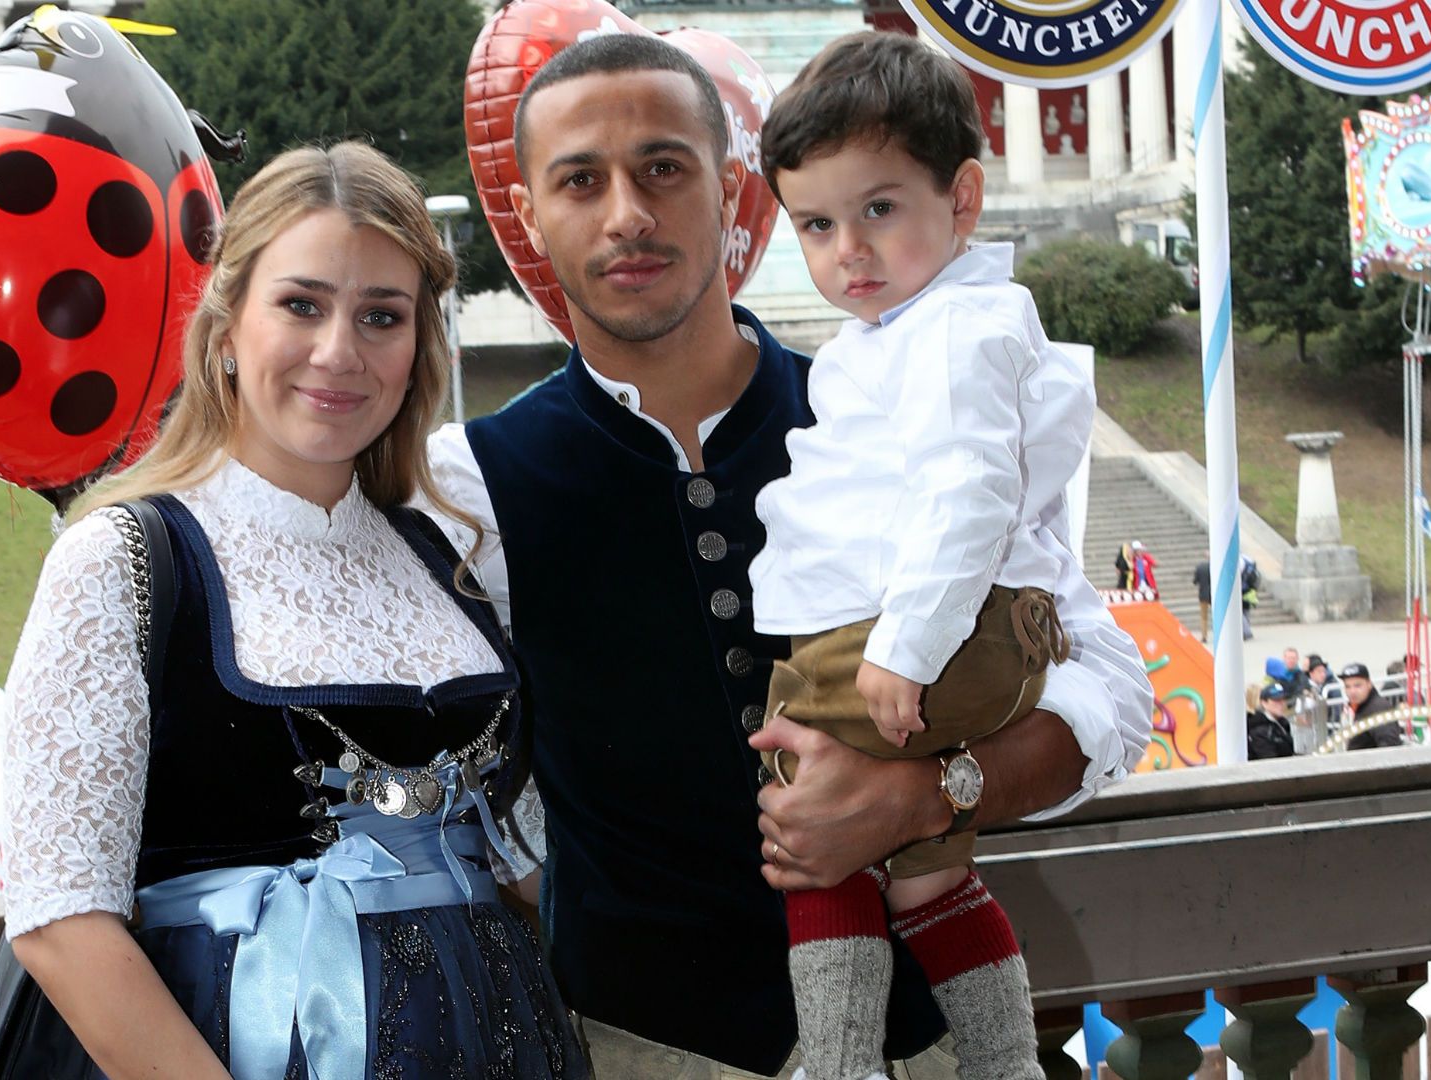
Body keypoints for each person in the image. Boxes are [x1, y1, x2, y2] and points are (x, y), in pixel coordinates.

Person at [423, 32, 1153, 1080]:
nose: (626, 212)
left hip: (926, 1050)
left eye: (663, 169)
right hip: (645, 1051)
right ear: (530, 216)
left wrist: (931, 795)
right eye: (581, 180)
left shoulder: (904, 406)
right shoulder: (472, 484)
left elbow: (1115, 696)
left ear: (731, 194)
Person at [1, 143, 587, 1079]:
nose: (339, 352)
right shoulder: (123, 560)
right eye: (302, 304)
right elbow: (62, 923)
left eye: (381, 316)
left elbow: (522, 862)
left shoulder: (447, 553)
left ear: (417, 346)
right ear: (227, 323)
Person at [747, 31, 1089, 1080]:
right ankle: (1002, 1058)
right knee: (924, 878)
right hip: (970, 633)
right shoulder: (918, 327)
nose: (848, 249)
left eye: (879, 209)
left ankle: (841, 1059)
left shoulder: (947, 330)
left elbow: (968, 491)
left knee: (801, 792)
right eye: (816, 224)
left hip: (931, 638)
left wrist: (904, 645)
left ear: (965, 199)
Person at [1341, 661, 1402, 750]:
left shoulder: (1378, 709)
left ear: (1369, 684)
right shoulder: (1362, 707)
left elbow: (1389, 745)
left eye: (1357, 685)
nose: (1352, 691)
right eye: (1347, 686)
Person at [1246, 683, 1296, 760]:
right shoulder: (1258, 729)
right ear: (1264, 703)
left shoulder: (1282, 724)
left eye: (1283, 699)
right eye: (1277, 700)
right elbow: (1269, 760)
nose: (1282, 703)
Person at [1192, 561, 1211, 643]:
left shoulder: (1199, 568)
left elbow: (1195, 581)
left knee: (1204, 617)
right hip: (1213, 594)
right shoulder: (1212, 567)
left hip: (1203, 594)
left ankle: (1204, 636)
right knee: (1218, 615)